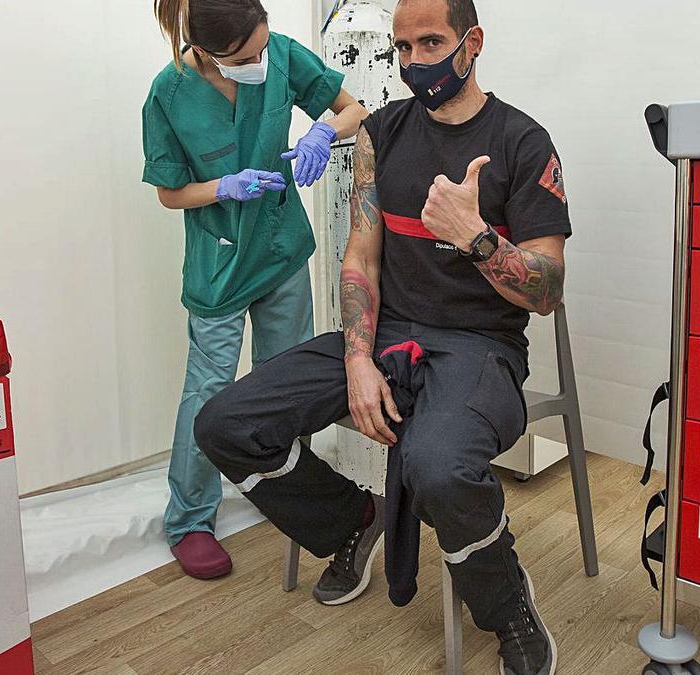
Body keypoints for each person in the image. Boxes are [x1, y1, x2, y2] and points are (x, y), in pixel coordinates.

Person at [195, 0, 567, 672]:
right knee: (225, 422)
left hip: (480, 346)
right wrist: (357, 358)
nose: (415, 63)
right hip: (385, 337)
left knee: (437, 469)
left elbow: (548, 291)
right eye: (403, 48)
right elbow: (360, 258)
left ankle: (507, 600)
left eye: (432, 43)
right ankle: (351, 522)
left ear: (472, 42)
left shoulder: (523, 141)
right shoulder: (382, 133)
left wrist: (477, 238)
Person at [142, 0, 368, 580]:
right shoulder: (168, 94)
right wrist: (224, 186)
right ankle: (190, 519)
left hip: (280, 248)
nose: (260, 61)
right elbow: (170, 192)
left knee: (285, 383)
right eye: (245, 57)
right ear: (210, 53)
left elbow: (353, 109)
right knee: (210, 390)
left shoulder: (283, 54)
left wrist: (323, 129)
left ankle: (289, 496)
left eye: (262, 48)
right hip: (219, 262)